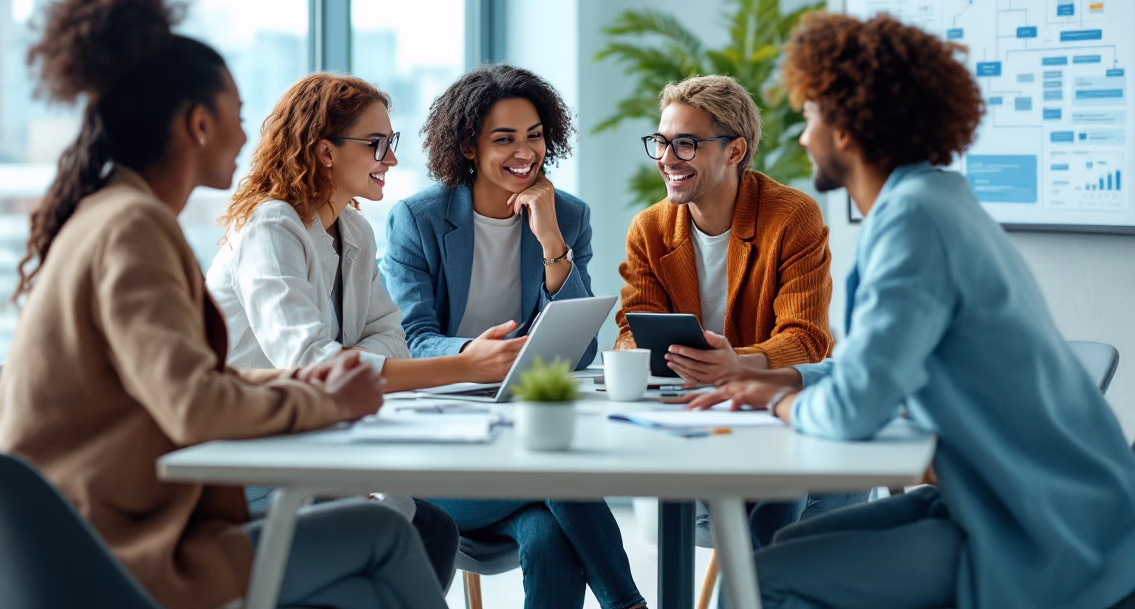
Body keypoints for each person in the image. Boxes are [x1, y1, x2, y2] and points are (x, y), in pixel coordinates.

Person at [0, 0, 448, 609]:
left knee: (392, 544)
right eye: (235, 115)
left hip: (88, 529)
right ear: (197, 125)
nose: (245, 135)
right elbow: (194, 405)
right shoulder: (134, 228)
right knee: (383, 534)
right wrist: (326, 400)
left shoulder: (118, 216)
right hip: (110, 549)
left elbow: (193, 385)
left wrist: (315, 387)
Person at [690, 12, 1135, 609]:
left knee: (761, 579)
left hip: (1045, 529)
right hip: (1022, 499)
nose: (803, 136)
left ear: (846, 127)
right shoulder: (933, 201)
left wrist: (777, 400)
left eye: (809, 115)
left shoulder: (914, 224)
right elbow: (878, 365)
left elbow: (853, 411)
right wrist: (776, 377)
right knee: (762, 557)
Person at [209, 73, 547, 588]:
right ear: (325, 151)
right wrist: (463, 365)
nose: (390, 159)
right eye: (377, 144)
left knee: (432, 530)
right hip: (247, 459)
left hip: (315, 444)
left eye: (391, 143)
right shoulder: (271, 226)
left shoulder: (354, 230)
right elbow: (312, 364)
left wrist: (344, 359)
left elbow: (391, 335)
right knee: (412, 529)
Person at [382, 64, 645, 609]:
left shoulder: (567, 215)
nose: (524, 151)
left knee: (548, 539)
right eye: (503, 139)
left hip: (522, 431)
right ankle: (628, 603)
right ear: (467, 147)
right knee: (557, 469)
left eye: (534, 136)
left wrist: (551, 240)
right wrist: (476, 358)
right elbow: (409, 339)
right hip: (443, 444)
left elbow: (581, 348)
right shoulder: (418, 218)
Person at [614, 74, 835, 547]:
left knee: (778, 498)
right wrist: (640, 356)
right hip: (688, 417)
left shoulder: (792, 217)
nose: (667, 160)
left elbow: (807, 340)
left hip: (771, 414)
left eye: (686, 144)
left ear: (734, 151)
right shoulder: (649, 230)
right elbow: (630, 330)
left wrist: (738, 364)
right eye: (661, 142)